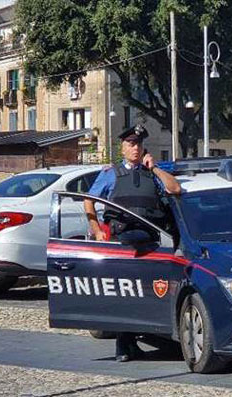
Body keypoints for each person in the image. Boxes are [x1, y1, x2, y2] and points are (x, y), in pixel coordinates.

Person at [84, 124, 181, 362]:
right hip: (122, 243)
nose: (135, 148)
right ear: (123, 147)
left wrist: (155, 167)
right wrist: (96, 229)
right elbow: (88, 201)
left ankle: (133, 343)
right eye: (130, 144)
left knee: (146, 295)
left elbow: (175, 189)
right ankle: (123, 344)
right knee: (124, 294)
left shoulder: (152, 173)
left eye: (138, 144)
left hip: (150, 242)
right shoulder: (110, 173)